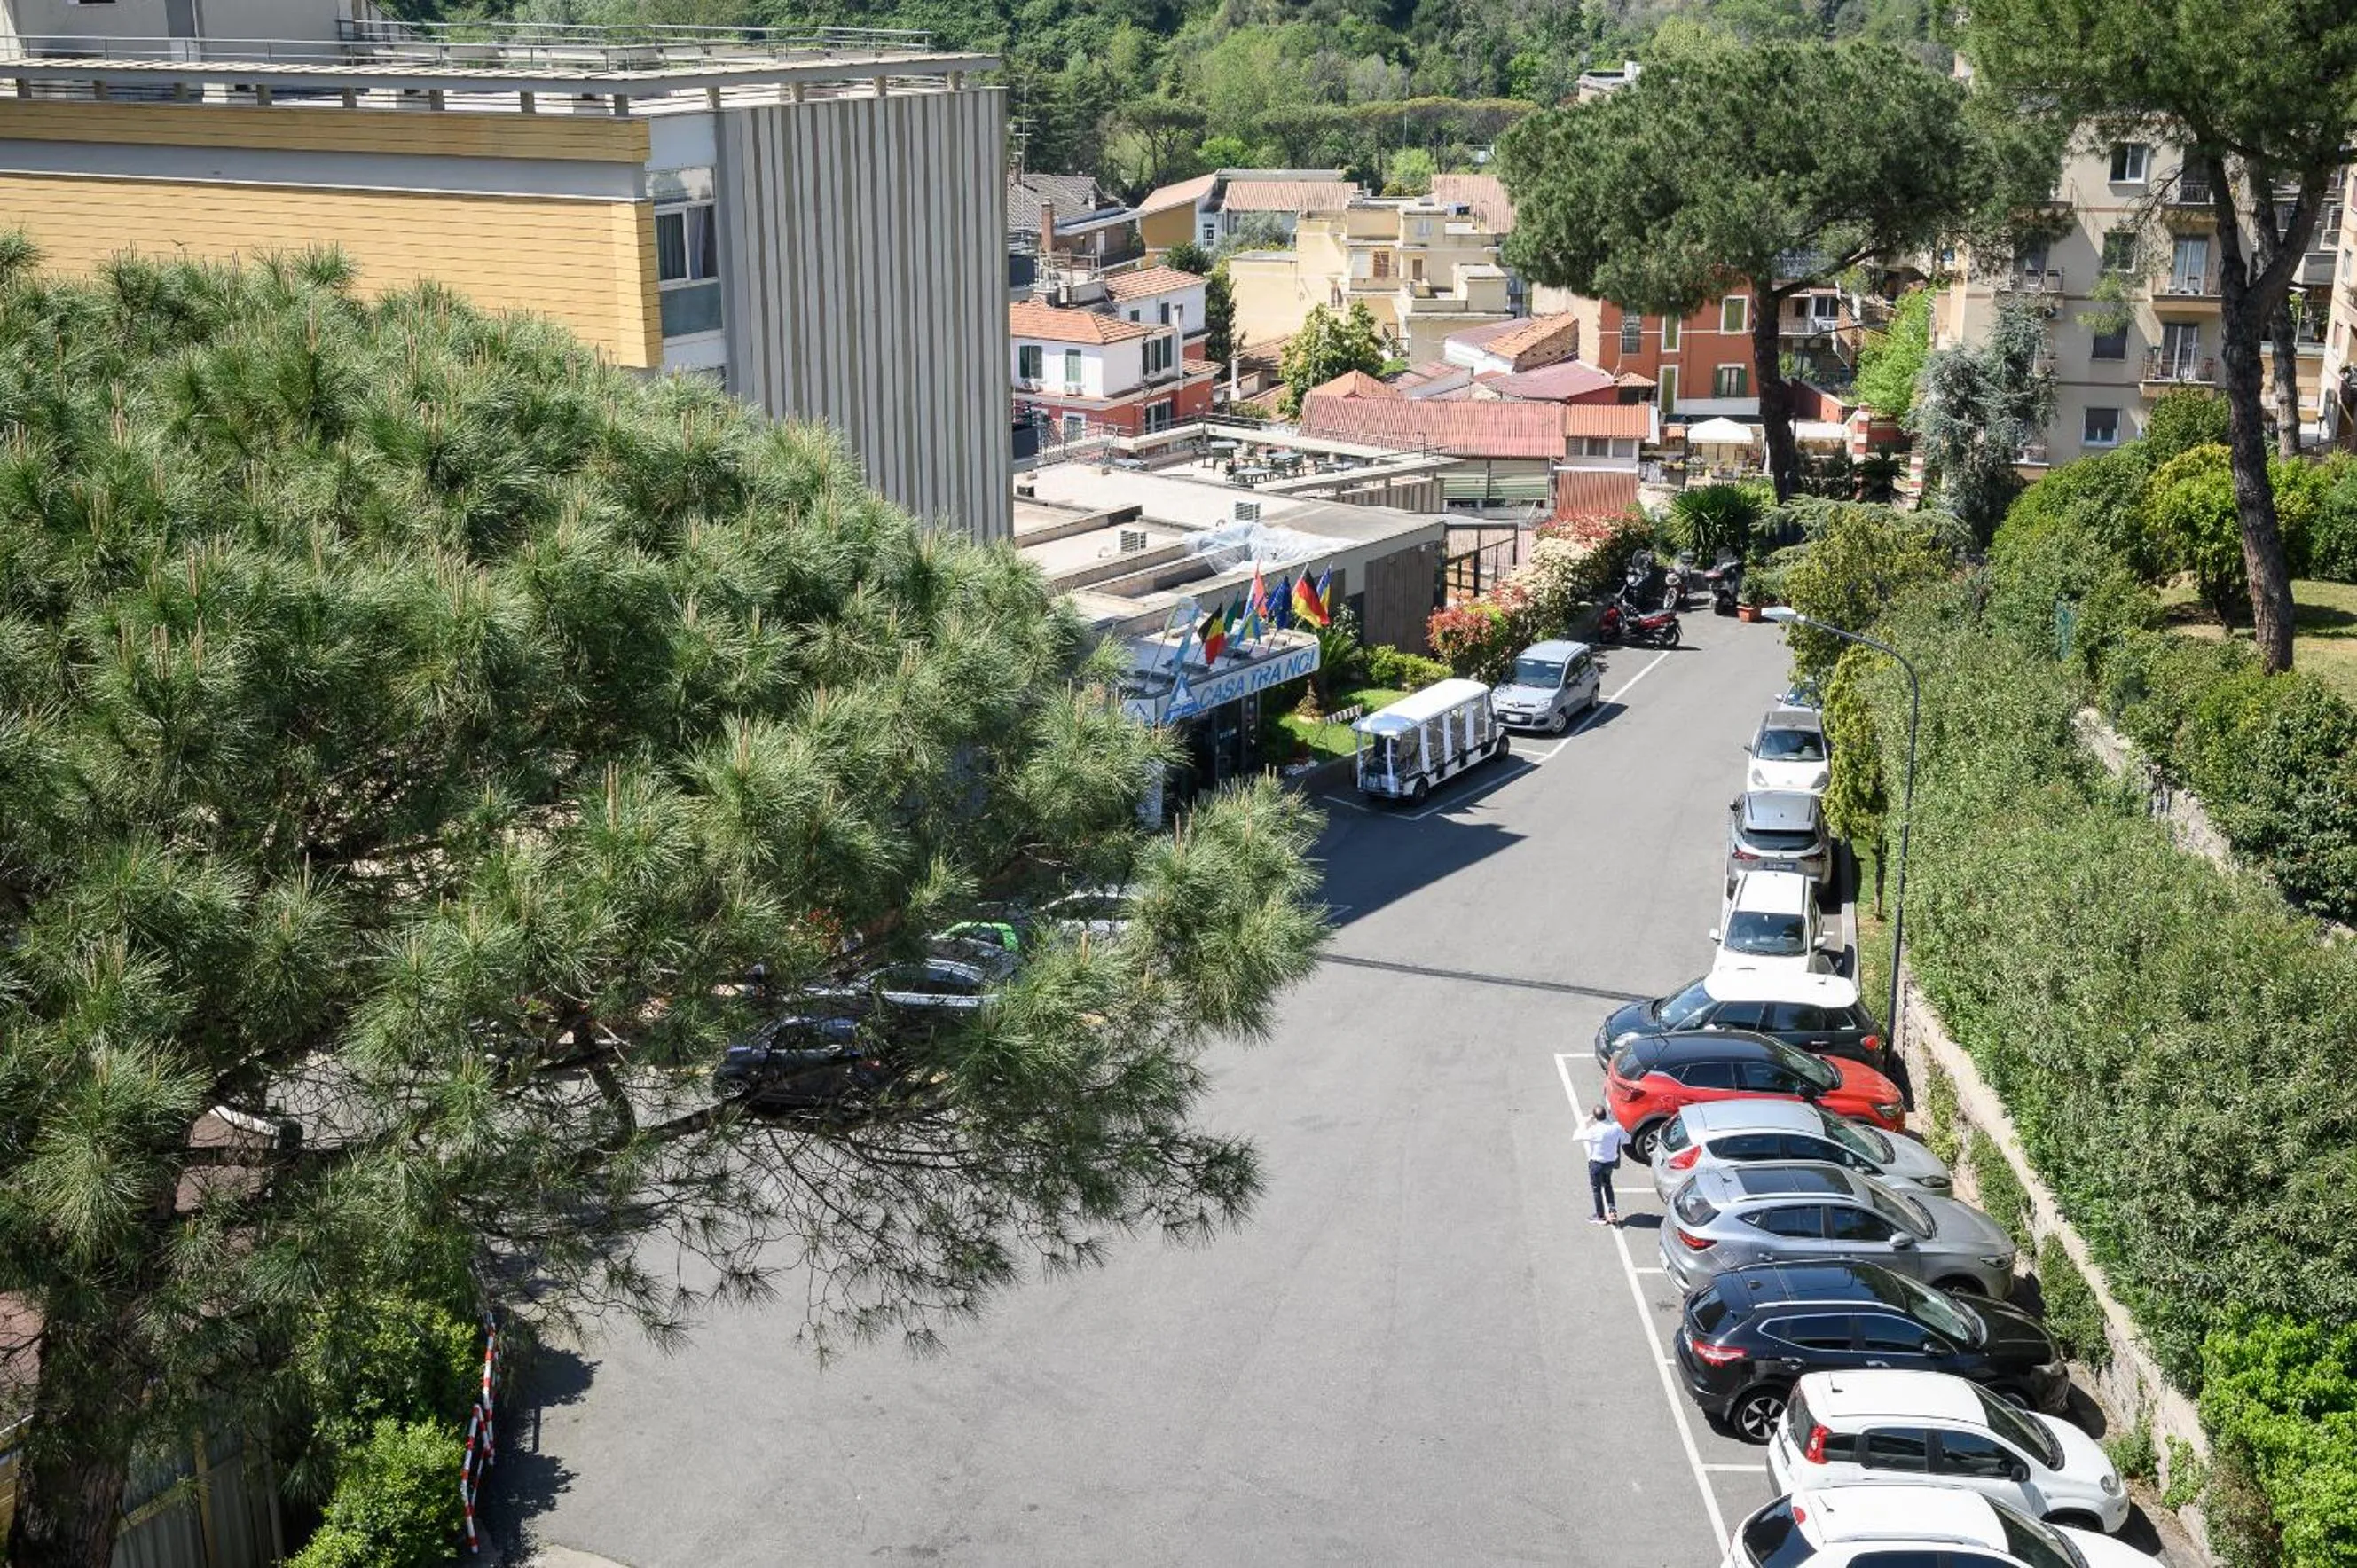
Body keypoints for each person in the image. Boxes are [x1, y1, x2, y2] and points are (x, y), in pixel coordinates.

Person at [1581, 1104, 1630, 1226]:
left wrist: (1585, 1122)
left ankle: (1600, 1216)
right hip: (1610, 1163)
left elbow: (1577, 1136)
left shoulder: (1593, 1130)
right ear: (1606, 1115)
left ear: (1595, 1117)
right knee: (1608, 1185)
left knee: (1597, 1189)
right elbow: (1627, 1139)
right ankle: (1612, 1210)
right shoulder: (1616, 1127)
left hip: (1596, 1164)